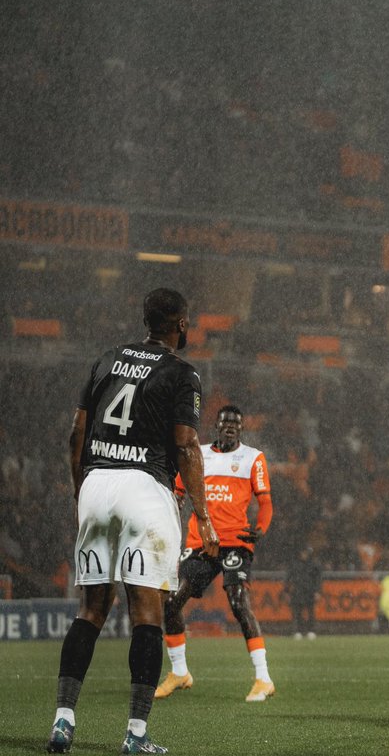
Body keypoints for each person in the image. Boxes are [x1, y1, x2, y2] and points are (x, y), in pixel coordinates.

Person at [47, 288, 219, 755]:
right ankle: (136, 736)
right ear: (181, 324)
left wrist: (81, 491)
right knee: (146, 616)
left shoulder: (105, 360)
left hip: (97, 484)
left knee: (90, 611)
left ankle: (63, 723)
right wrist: (203, 515)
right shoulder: (183, 373)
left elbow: (76, 433)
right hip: (146, 487)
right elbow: (185, 445)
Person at [154, 404, 275, 702]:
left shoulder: (253, 458)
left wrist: (261, 527)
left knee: (237, 602)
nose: (230, 428)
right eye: (225, 423)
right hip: (202, 543)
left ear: (242, 429)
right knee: (171, 602)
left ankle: (263, 678)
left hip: (235, 541)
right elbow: (179, 491)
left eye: (235, 424)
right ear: (217, 426)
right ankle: (179, 671)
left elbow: (266, 502)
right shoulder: (200, 454)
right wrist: (174, 504)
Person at [285, 546, 323, 639]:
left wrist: (317, 591)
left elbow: (318, 579)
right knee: (297, 612)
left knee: (310, 612)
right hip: (297, 591)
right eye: (303, 552)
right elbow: (288, 578)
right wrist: (286, 591)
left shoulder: (314, 565)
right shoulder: (295, 564)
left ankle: (311, 630)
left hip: (309, 591)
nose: (304, 555)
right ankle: (298, 631)